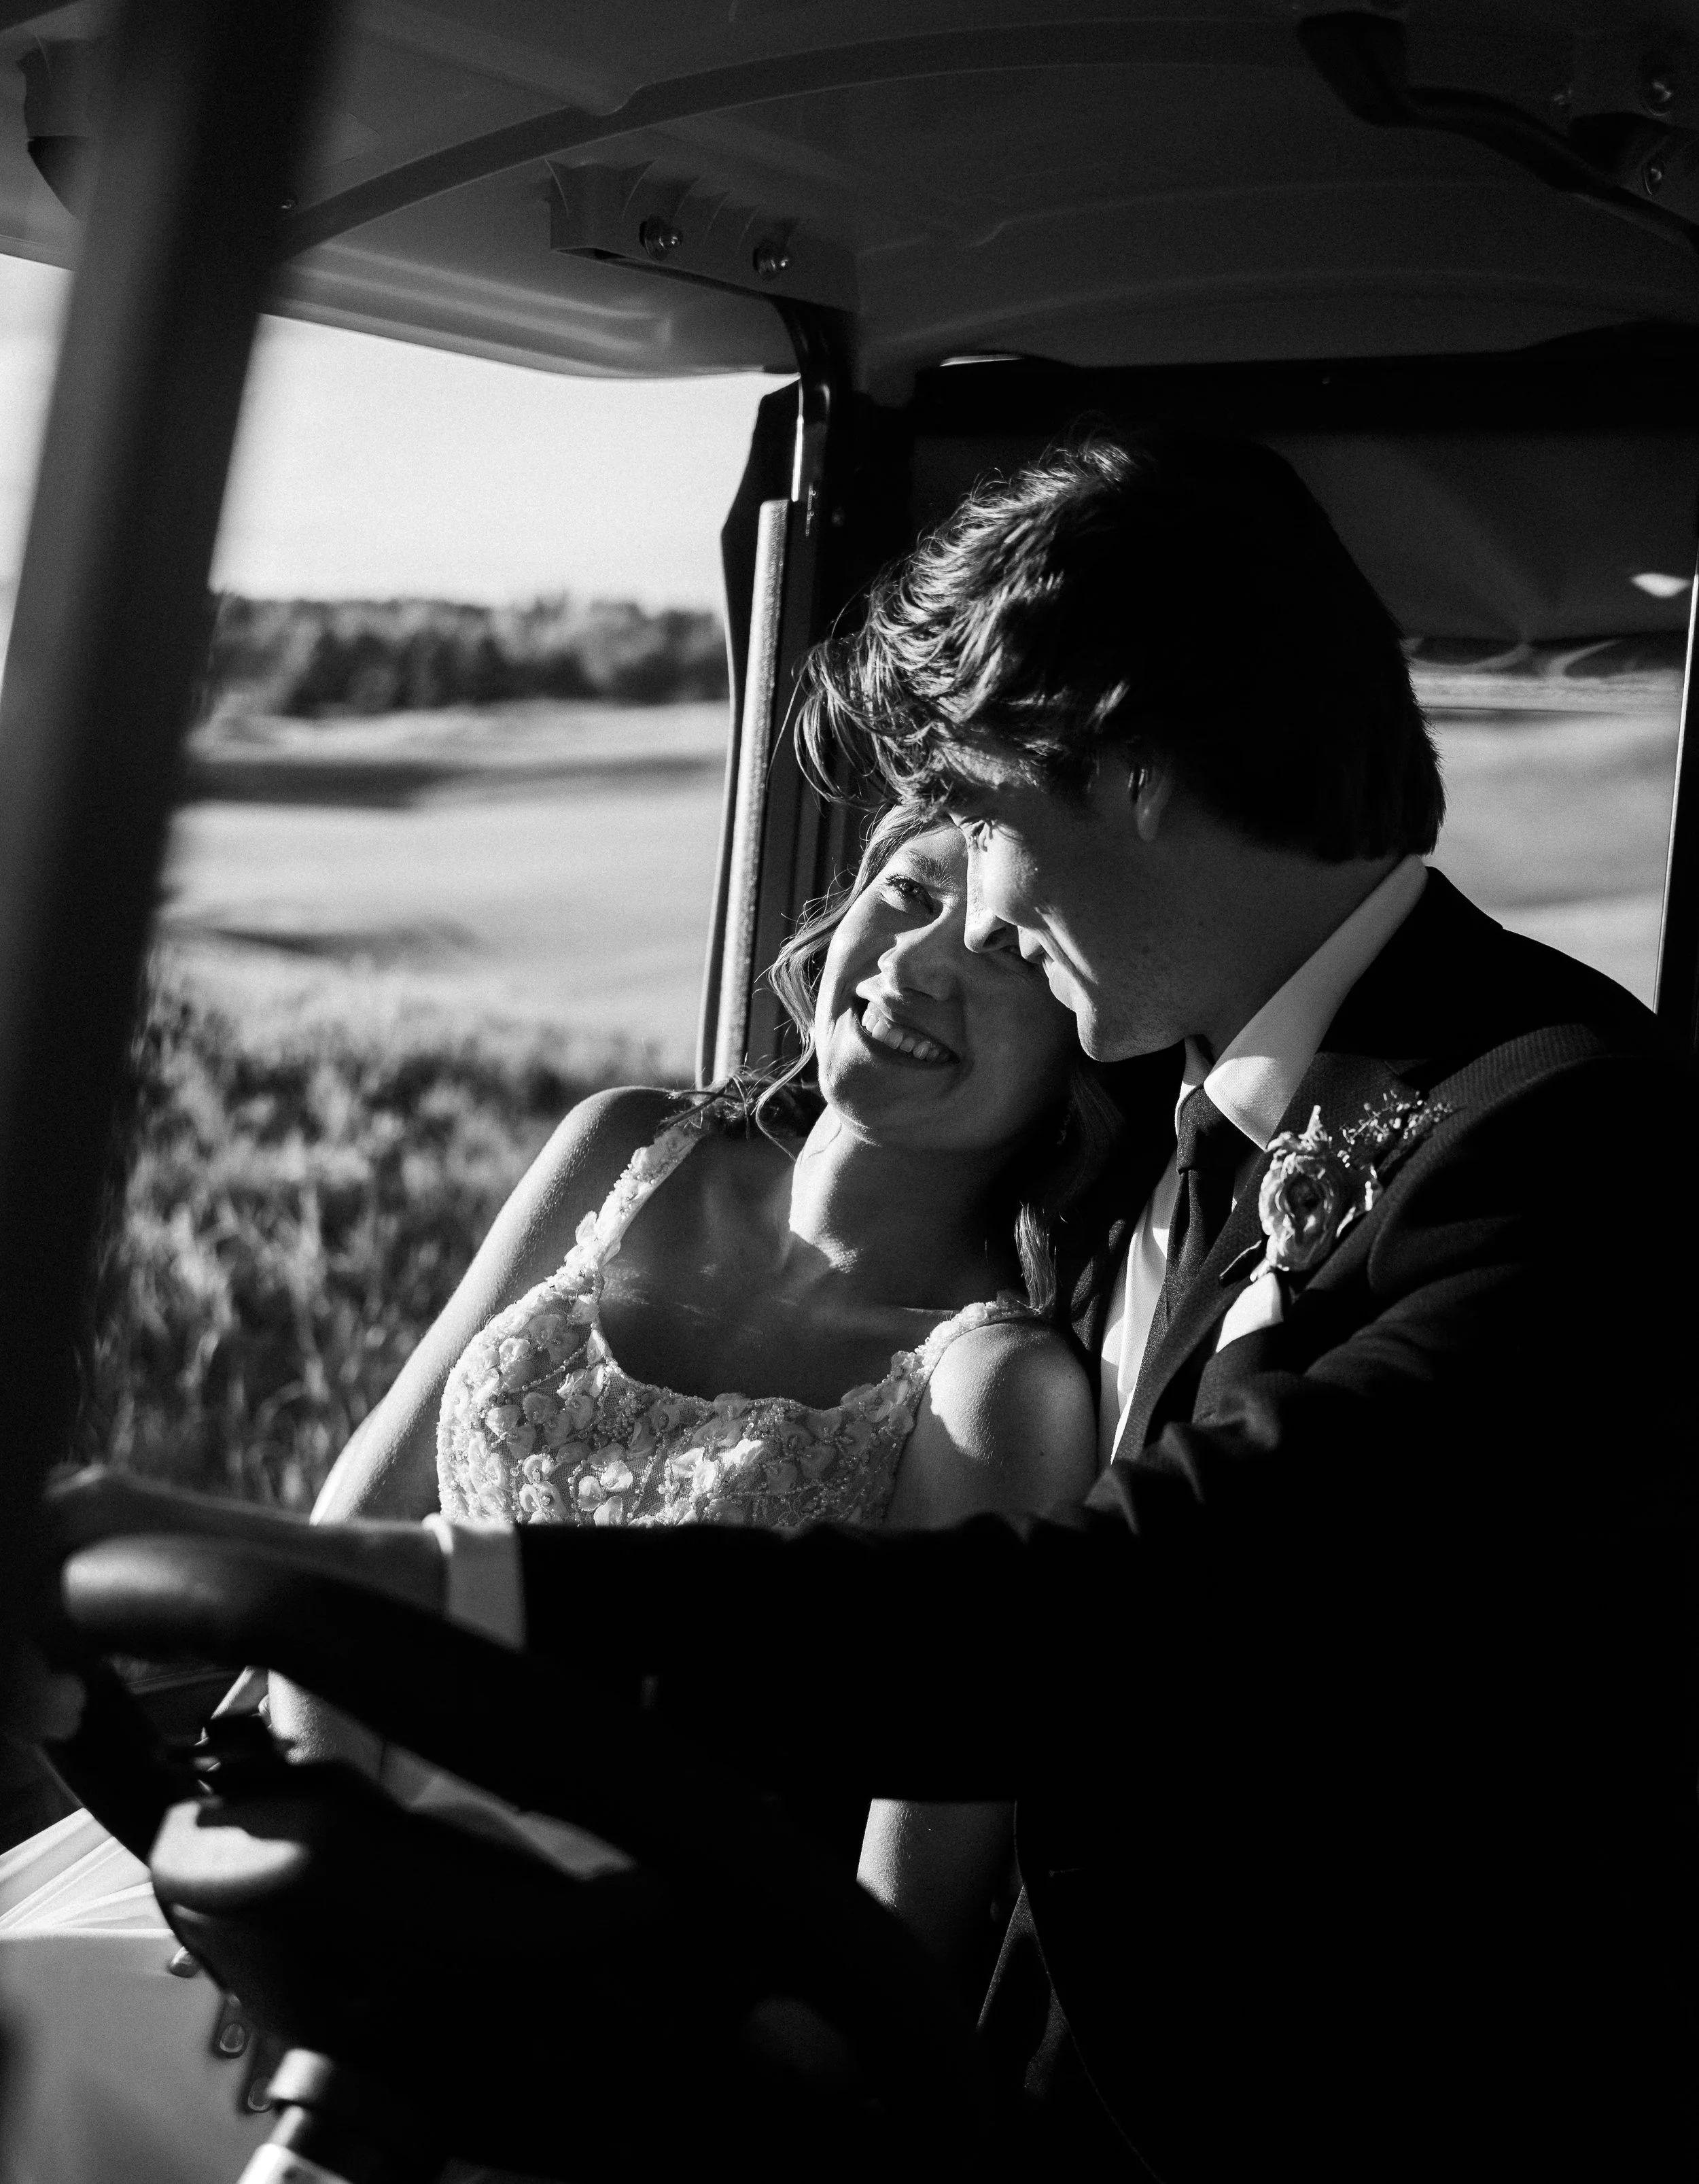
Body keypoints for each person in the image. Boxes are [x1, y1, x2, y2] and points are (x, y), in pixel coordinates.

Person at [31, 433, 1698, 2181]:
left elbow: (1114, 1617)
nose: (954, 908)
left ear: (1128, 769)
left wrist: (381, 1591)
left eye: (974, 816)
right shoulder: (1181, 1112)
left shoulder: (1564, 1135)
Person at [3, 802, 1115, 2183]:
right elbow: (356, 1530)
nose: (918, 961)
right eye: (902, 890)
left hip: (572, 2016)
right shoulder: (626, 1146)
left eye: (999, 951)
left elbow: (891, 1941)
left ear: (1084, 1030)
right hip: (313, 1843)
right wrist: (295, 1894)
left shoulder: (993, 1387)